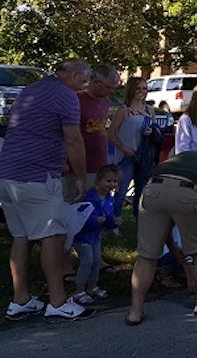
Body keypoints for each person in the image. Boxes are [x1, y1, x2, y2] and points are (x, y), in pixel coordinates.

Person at [0, 59, 94, 323]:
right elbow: (74, 140)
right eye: (84, 81)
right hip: (36, 177)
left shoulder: (31, 90)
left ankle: (20, 300)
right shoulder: (66, 96)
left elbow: (35, 133)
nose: (84, 87)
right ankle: (58, 302)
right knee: (53, 235)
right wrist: (79, 176)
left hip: (8, 173)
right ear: (74, 76)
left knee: (21, 237)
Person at [127, 150, 197, 324]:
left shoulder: (183, 160)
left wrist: (173, 247)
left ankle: (135, 311)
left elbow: (165, 221)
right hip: (191, 191)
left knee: (147, 255)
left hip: (152, 189)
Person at [107, 76, 156, 220]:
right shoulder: (124, 110)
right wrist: (124, 148)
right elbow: (112, 134)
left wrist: (151, 132)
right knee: (121, 191)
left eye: (144, 88)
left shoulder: (149, 110)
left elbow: (155, 133)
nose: (141, 91)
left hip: (144, 156)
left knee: (141, 191)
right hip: (126, 156)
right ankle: (114, 220)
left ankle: (138, 220)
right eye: (138, 88)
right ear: (131, 90)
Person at [71, 164, 121, 305]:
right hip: (83, 235)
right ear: (98, 181)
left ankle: (92, 287)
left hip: (95, 236)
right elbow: (82, 217)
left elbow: (108, 218)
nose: (112, 184)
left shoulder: (110, 199)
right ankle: (79, 290)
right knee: (87, 261)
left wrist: (113, 222)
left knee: (95, 261)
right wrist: (95, 220)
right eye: (108, 181)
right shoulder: (89, 197)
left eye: (115, 181)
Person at [73, 65, 120, 194]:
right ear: (96, 83)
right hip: (79, 166)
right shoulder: (76, 100)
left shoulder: (105, 102)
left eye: (113, 88)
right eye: (108, 87)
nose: (111, 91)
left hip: (99, 165)